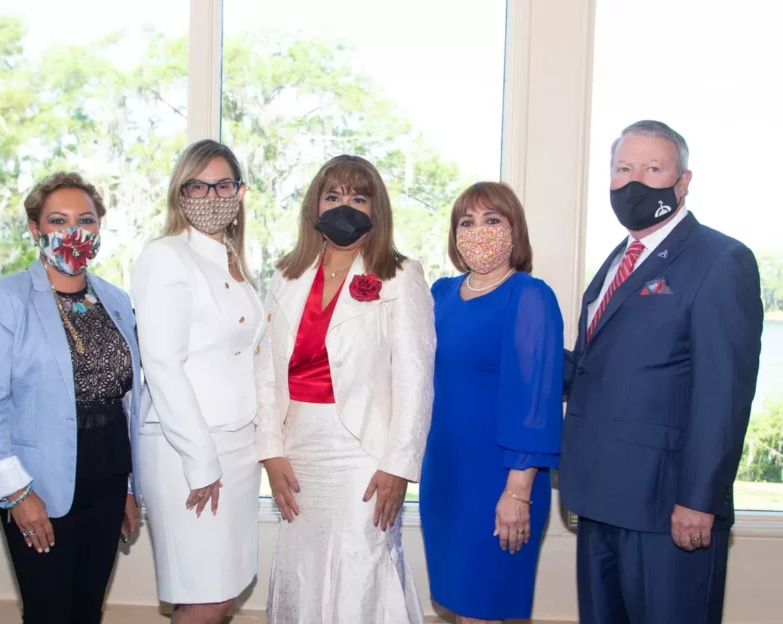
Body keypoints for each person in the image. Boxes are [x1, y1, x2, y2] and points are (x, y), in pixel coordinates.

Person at [561, 120, 763, 624]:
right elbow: (591, 369)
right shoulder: (617, 261)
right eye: (623, 168)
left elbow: (723, 395)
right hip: (599, 501)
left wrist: (699, 500)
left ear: (683, 181)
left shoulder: (722, 260)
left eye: (653, 169)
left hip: (667, 510)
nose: (634, 181)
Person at [255, 155, 434, 623]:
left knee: (361, 570)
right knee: (303, 571)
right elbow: (265, 372)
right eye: (332, 196)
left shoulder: (401, 275)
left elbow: (415, 379)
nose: (344, 206)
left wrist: (398, 465)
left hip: (365, 455)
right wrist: (270, 453)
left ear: (377, 209)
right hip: (297, 450)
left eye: (358, 198)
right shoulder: (286, 275)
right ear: (315, 205)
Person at [0, 172, 143, 623]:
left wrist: (126, 487)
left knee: (87, 610)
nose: (73, 231)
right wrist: (17, 493)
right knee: (49, 611)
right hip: (37, 484)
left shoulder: (116, 299)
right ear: (34, 229)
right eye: (58, 220)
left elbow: (128, 400)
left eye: (86, 220)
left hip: (108, 475)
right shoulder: (4, 299)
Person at [130, 140, 264, 624]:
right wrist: (201, 460)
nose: (212, 197)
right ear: (179, 193)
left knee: (223, 591)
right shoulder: (166, 256)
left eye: (223, 185)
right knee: (206, 597)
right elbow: (162, 364)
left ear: (240, 192)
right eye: (198, 186)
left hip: (239, 445)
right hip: (187, 448)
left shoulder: (233, 259)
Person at [419, 182, 563, 623]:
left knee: (483, 608)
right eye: (467, 222)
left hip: (502, 479)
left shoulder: (529, 295)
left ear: (514, 230)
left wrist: (517, 492)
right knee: (461, 608)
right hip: (444, 476)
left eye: (492, 219)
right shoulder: (440, 293)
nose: (478, 230)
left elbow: (536, 400)